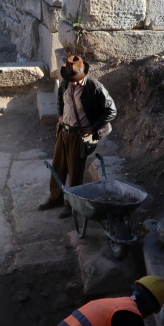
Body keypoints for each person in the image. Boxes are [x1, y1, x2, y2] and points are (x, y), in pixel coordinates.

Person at [38, 55, 117, 218]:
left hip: (82, 135)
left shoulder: (94, 86)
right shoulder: (66, 82)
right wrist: (60, 114)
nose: (73, 82)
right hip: (64, 131)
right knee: (58, 166)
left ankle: (72, 204)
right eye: (70, 78)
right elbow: (61, 96)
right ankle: (55, 198)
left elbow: (111, 111)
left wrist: (92, 129)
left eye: (76, 79)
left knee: (75, 170)